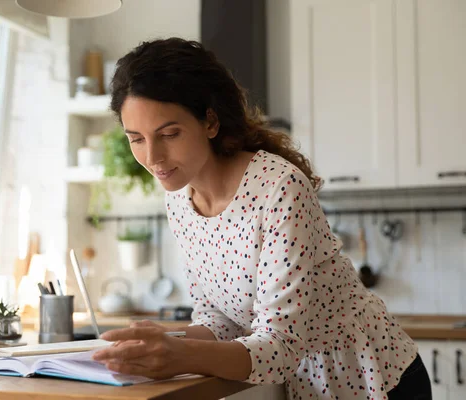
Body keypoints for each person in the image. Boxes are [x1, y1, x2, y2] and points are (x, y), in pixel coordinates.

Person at [91, 38, 432, 400]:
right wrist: (157, 342)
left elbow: (281, 345)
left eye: (169, 134)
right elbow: (218, 320)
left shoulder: (279, 188)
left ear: (210, 120)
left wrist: (179, 354)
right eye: (136, 139)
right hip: (302, 386)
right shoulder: (178, 198)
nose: (153, 156)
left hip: (372, 379)